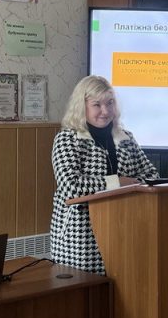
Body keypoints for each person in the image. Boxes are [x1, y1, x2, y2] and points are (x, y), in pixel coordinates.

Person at [50, 75, 157, 272]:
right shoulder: (67, 139)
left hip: (125, 228)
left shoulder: (126, 137)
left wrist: (132, 182)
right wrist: (118, 183)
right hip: (81, 238)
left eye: (110, 103)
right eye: (97, 105)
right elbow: (70, 186)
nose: (105, 111)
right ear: (82, 106)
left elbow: (152, 175)